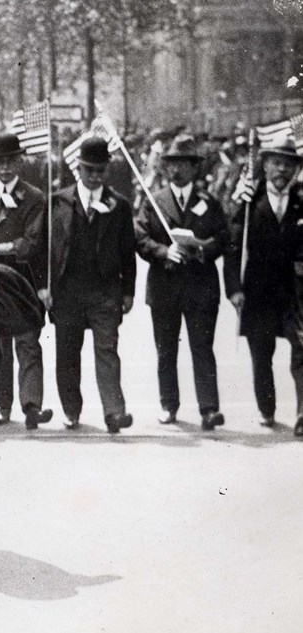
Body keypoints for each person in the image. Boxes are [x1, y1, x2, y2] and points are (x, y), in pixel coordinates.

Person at [134, 134, 229, 431]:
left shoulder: (208, 202)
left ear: (194, 168)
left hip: (200, 287)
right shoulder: (154, 201)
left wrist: (202, 249)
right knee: (166, 350)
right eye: (171, 164)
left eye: (183, 165)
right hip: (165, 285)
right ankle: (168, 404)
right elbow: (140, 236)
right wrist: (164, 251)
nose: (176, 171)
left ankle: (209, 408)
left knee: (202, 347)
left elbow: (224, 237)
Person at [44, 136, 137, 434]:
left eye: (101, 171)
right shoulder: (58, 202)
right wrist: (44, 286)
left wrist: (128, 290)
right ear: (78, 169)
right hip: (68, 291)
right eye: (90, 170)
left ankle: (114, 412)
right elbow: (45, 249)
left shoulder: (118, 205)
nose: (95, 176)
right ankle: (71, 410)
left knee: (107, 351)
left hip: (105, 291)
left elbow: (127, 251)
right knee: (67, 354)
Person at [224, 139, 303, 435]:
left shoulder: (301, 199)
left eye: (288, 164)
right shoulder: (247, 201)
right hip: (257, 290)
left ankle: (302, 413)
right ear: (265, 165)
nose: (282, 169)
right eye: (276, 162)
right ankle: (266, 409)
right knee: (261, 353)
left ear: (296, 169)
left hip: (296, 292)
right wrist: (233, 288)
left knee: (302, 350)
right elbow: (233, 247)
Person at [0, 132, 50, 429]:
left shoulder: (34, 197)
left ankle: (31, 405)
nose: (5, 168)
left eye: (11, 161)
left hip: (23, 279)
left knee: (28, 341)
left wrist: (4, 247)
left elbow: (33, 240)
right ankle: (3, 405)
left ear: (20, 162)